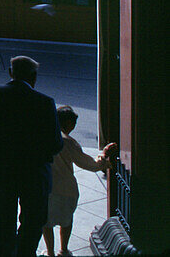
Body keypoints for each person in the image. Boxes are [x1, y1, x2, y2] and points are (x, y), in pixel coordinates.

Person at [0, 55, 64, 257]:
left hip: (1, 168)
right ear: (34, 77)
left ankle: (4, 253)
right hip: (34, 172)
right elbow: (56, 144)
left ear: (10, 73)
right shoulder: (45, 102)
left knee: (4, 217)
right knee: (33, 219)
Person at [42, 106, 116, 257]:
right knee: (66, 220)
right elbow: (89, 164)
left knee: (46, 222)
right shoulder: (68, 142)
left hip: (46, 188)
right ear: (68, 123)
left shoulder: (43, 136)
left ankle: (50, 252)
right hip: (66, 188)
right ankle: (63, 250)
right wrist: (103, 156)